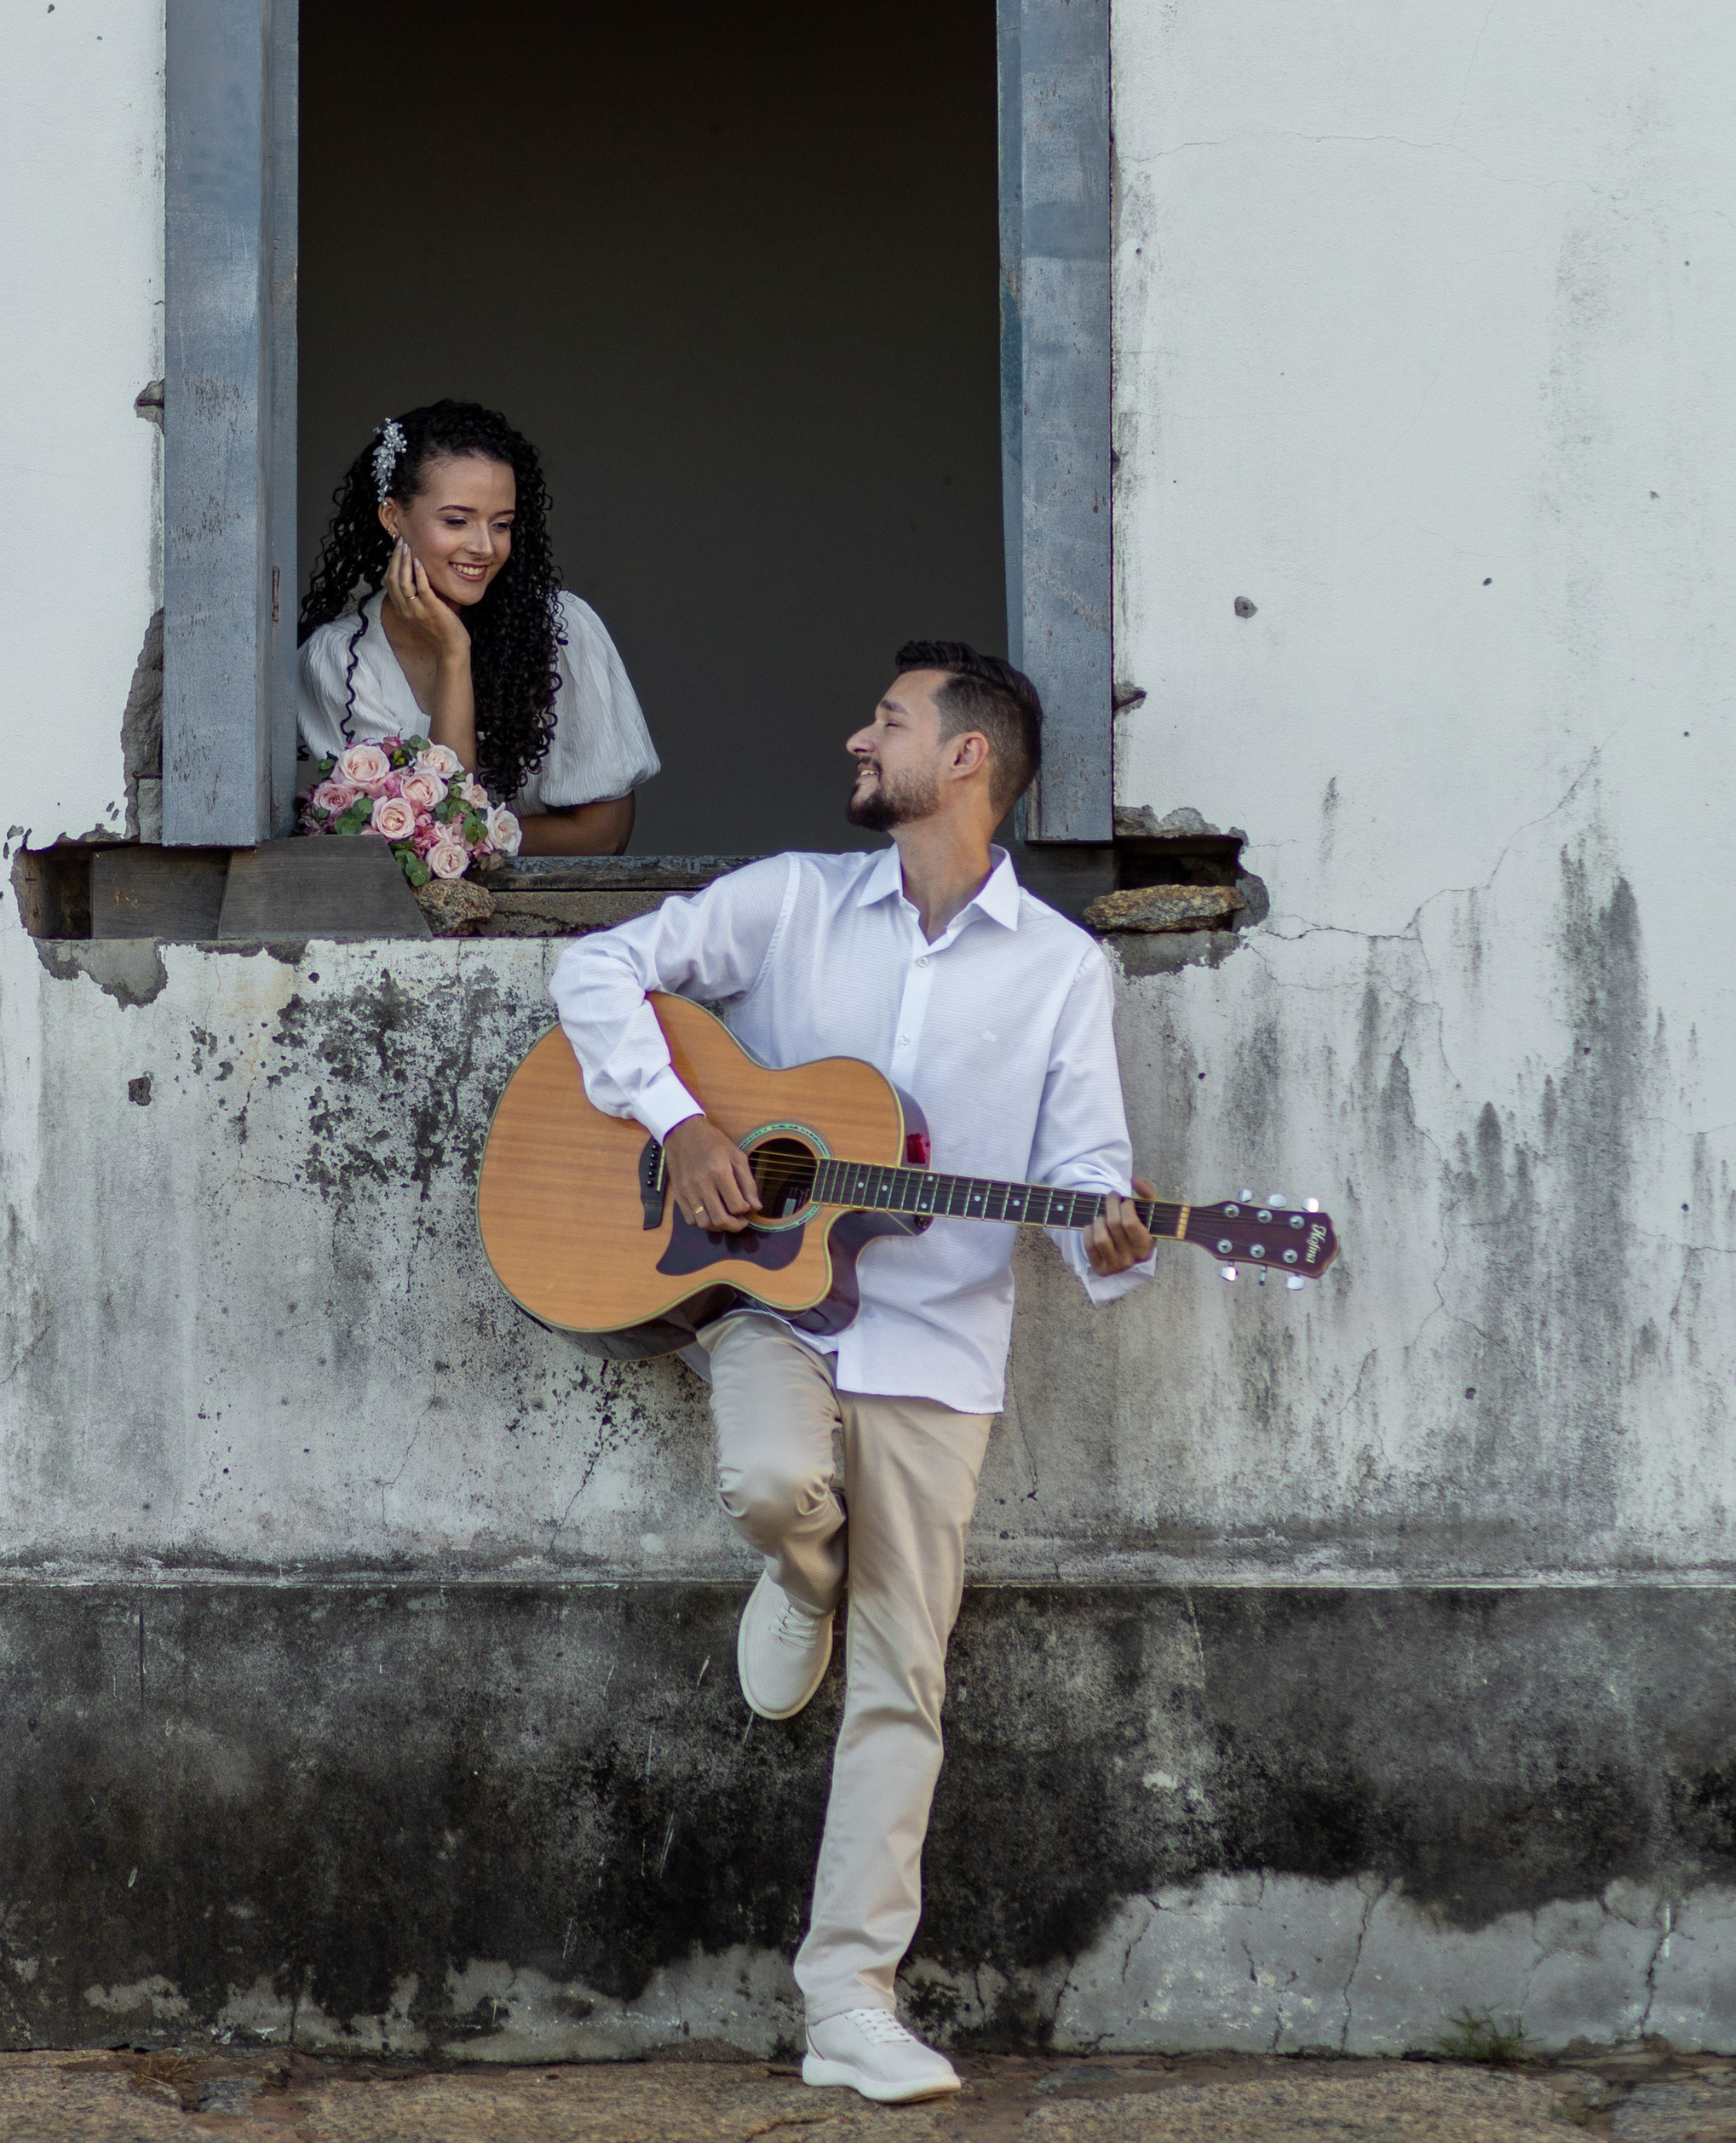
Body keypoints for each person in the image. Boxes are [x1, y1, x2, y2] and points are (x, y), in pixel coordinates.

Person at [548, 642, 1155, 2105]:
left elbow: (1085, 1171)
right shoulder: (794, 902)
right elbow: (597, 963)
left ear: (965, 761)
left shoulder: (1063, 972)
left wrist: (1120, 1232)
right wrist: (685, 1123)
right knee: (772, 1486)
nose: (854, 736)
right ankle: (804, 1569)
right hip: (774, 1308)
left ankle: (849, 2002)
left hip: (940, 1344)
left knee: (906, 1679)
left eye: (886, 719)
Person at [296, 399, 659, 858]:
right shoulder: (340, 660)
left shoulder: (561, 631)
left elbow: (605, 834)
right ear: (392, 517)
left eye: (502, 524)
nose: (484, 547)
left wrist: (479, 841)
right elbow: (441, 830)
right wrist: (453, 652)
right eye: (456, 521)